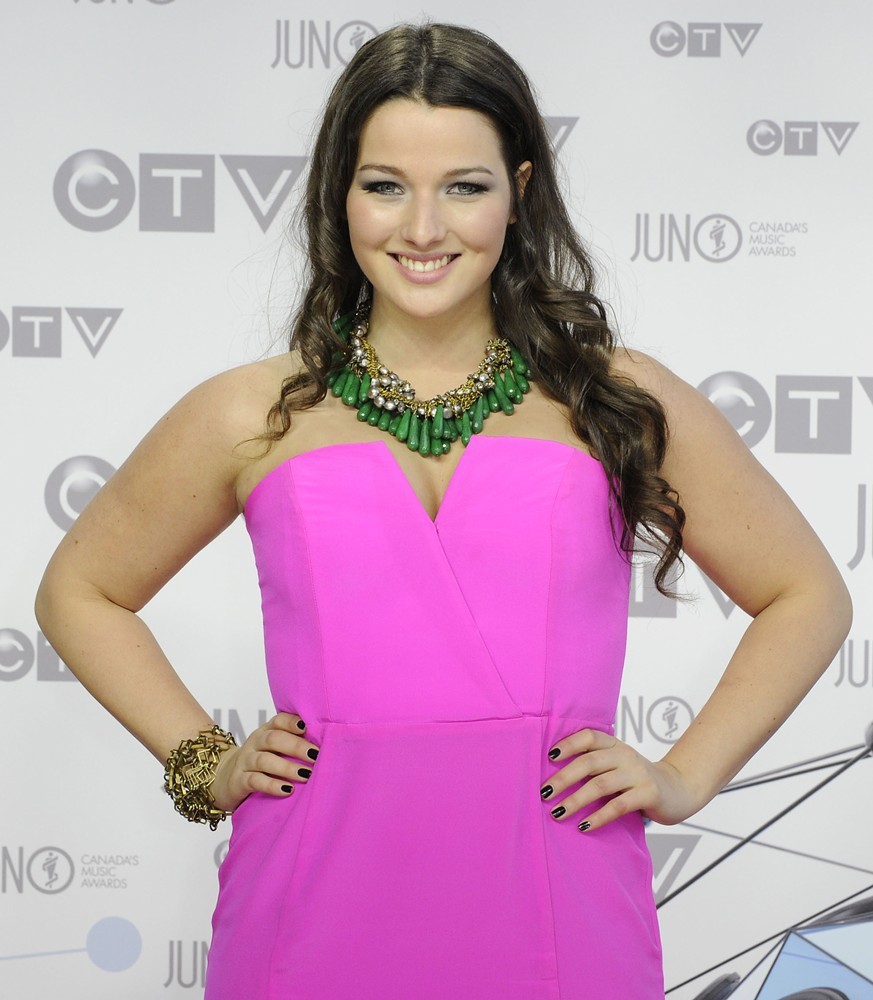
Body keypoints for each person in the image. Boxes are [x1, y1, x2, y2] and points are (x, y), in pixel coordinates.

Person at [35, 21, 851, 1000]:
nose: (423, 228)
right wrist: (205, 760)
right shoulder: (247, 412)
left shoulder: (615, 397)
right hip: (309, 898)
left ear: (520, 190)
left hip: (560, 888)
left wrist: (686, 775)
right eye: (386, 185)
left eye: (464, 186)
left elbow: (807, 594)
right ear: (341, 195)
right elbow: (80, 589)